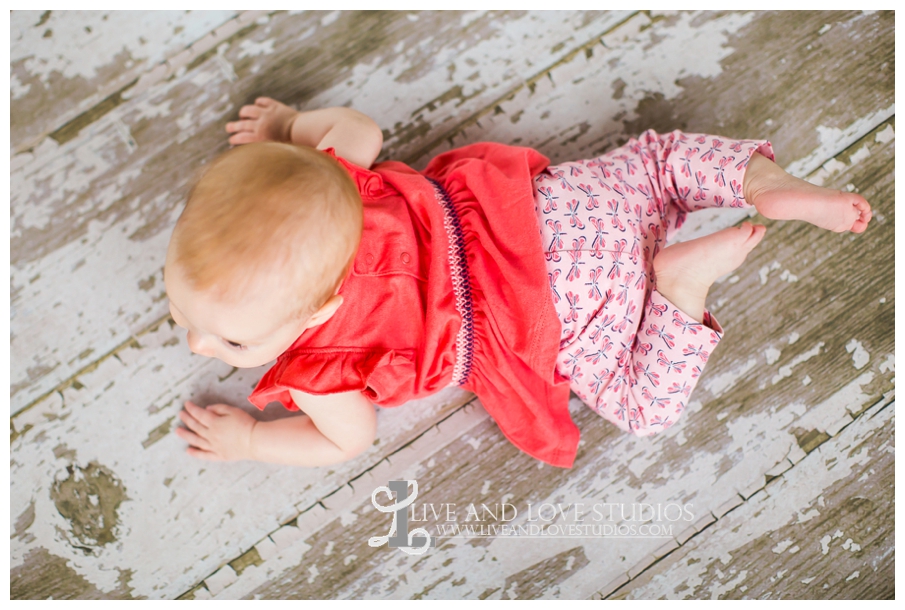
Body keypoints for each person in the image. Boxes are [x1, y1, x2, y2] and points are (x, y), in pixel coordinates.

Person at [166, 97, 871, 468]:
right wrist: (289, 125)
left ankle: (679, 293)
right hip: (546, 215)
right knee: (657, 165)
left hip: (549, 320)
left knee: (642, 409)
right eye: (192, 318)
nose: (200, 343)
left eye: (230, 337)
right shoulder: (339, 189)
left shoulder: (323, 372)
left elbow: (344, 443)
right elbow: (360, 130)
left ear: (320, 309)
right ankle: (763, 179)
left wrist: (254, 443)